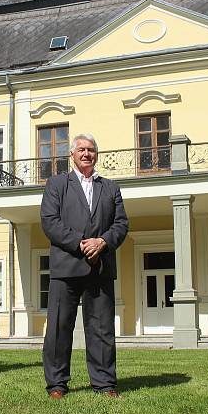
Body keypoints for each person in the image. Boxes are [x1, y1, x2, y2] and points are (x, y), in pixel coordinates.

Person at [40, 133, 129, 399]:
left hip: (99, 267)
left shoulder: (110, 187)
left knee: (101, 328)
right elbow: (50, 222)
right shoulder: (56, 184)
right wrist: (81, 244)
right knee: (59, 327)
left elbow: (121, 224)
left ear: (96, 154)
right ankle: (57, 385)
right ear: (72, 154)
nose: (86, 154)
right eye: (81, 149)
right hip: (66, 267)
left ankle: (104, 384)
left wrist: (102, 242)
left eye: (91, 149)